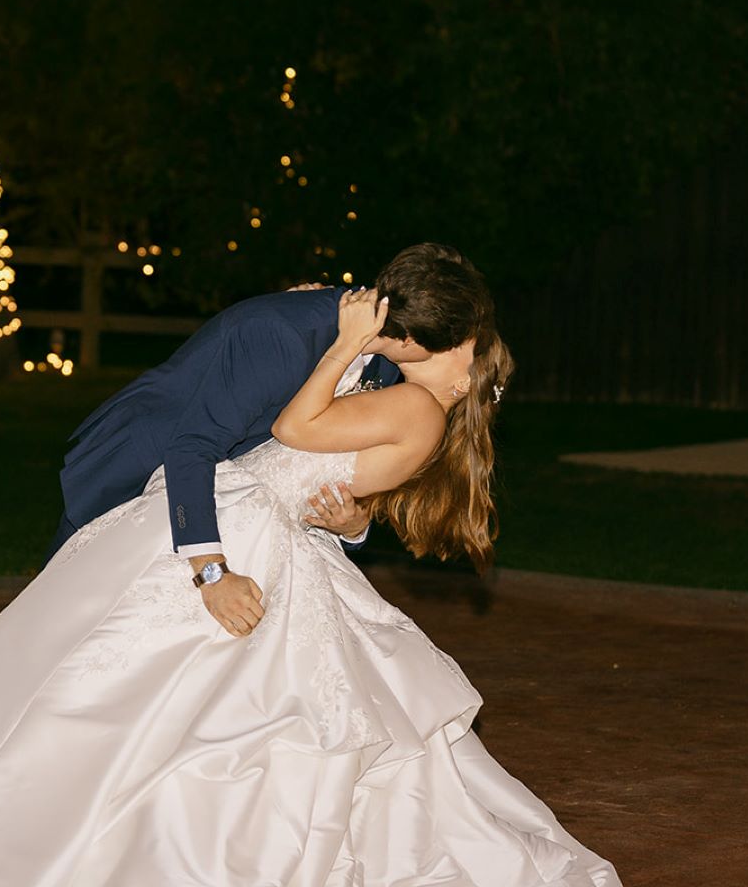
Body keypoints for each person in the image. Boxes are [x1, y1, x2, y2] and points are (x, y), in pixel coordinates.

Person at [0, 283, 627, 887]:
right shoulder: (376, 374)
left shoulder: (414, 400)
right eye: (456, 339)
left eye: (468, 350)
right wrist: (344, 514)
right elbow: (288, 464)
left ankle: (75, 862)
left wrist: (340, 353)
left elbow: (293, 428)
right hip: (203, 499)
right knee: (126, 690)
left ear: (464, 367)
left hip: (240, 529)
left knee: (144, 702)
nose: (457, 355)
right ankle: (74, 855)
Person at [50, 243, 486, 639]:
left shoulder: (387, 368)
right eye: (446, 347)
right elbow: (191, 446)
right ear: (410, 339)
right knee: (63, 626)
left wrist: (354, 527)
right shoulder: (280, 332)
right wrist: (212, 574)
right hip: (137, 468)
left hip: (233, 507)